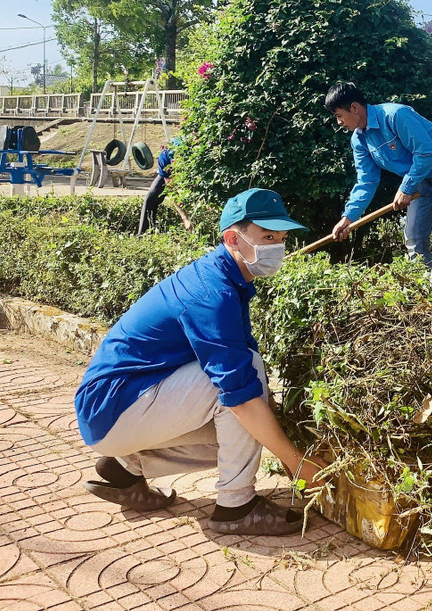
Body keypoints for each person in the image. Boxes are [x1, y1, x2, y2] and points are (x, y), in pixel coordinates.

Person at [75, 188, 325, 535]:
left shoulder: (224, 278)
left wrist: (279, 444)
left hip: (118, 407)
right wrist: (300, 465)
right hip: (113, 407)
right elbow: (240, 393)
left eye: (281, 238)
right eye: (267, 236)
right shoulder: (212, 293)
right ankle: (236, 506)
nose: (277, 246)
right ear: (232, 239)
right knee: (244, 390)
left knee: (247, 424)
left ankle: (124, 470)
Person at [326, 81, 432, 267]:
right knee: (414, 238)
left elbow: (426, 152)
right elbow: (366, 181)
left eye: (339, 115)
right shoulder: (359, 140)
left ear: (354, 107)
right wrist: (348, 218)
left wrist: (406, 187)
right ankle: (428, 288)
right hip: (421, 181)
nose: (339, 122)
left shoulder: (395, 115)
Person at [137, 139, 191, 236]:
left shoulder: (192, 155)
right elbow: (171, 189)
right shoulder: (165, 158)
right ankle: (144, 235)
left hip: (192, 174)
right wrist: (185, 218)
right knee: (151, 197)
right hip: (168, 175)